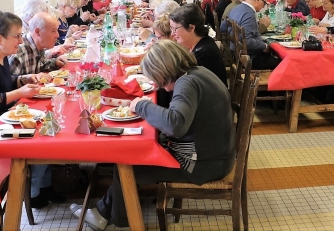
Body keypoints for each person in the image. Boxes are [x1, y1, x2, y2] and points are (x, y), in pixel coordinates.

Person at [70, 40, 235, 230]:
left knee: (127, 166)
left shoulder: (187, 84)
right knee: (134, 154)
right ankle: (105, 212)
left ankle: (115, 219)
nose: (157, 84)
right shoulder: (197, 73)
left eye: (156, 77)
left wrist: (142, 106)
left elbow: (175, 125)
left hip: (203, 164)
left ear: (164, 69)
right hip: (215, 152)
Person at [0, 10, 64, 209]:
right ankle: (33, 193)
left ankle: (43, 185)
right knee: (42, 136)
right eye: (16, 36)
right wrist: (20, 92)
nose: (20, 40)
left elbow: (2, 85)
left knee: (49, 124)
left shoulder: (0, 54)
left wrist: (22, 80)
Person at [221, 0, 279, 70]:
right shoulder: (248, 13)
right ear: (257, 0)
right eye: (264, 3)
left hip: (236, 53)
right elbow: (246, 40)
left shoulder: (236, 8)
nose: (264, 6)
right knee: (283, 63)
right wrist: (264, 46)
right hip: (250, 58)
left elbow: (223, 28)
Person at [169, 4, 228, 86]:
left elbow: (179, 82)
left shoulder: (204, 53)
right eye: (171, 28)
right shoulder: (200, 43)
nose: (172, 33)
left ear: (191, 28)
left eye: (175, 28)